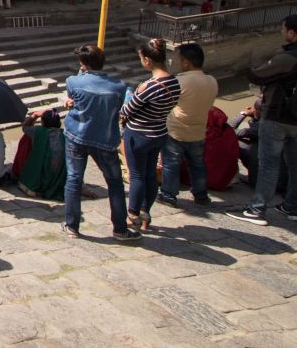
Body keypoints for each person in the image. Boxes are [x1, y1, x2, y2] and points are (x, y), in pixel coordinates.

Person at [62, 44, 141, 242]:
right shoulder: (119, 86)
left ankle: (72, 226)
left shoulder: (73, 81)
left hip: (77, 136)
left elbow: (74, 97)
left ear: (83, 64)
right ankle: (120, 228)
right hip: (104, 138)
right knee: (115, 183)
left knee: (73, 180)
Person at [228, 35, 297, 226]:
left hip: (278, 116)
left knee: (268, 164)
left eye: (284, 28)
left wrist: (248, 62)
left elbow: (256, 75)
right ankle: (292, 206)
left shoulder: (288, 58)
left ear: (293, 33)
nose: (282, 31)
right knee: (294, 165)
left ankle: (256, 209)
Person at [119, 38, 180, 231]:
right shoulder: (175, 82)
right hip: (159, 132)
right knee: (150, 174)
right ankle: (145, 211)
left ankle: (133, 215)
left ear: (147, 60)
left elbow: (127, 110)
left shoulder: (149, 86)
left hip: (139, 134)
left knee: (137, 175)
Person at [158, 42, 217, 208]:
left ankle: (168, 195)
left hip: (176, 130)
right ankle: (201, 195)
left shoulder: (179, 81)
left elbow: (165, 103)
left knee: (171, 164)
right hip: (198, 130)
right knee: (198, 165)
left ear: (186, 62)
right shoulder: (212, 81)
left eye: (180, 60)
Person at [12, 109, 67, 200]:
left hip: (41, 178)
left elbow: (25, 127)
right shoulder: (65, 134)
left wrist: (34, 115)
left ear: (43, 122)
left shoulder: (38, 131)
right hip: (59, 179)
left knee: (26, 138)